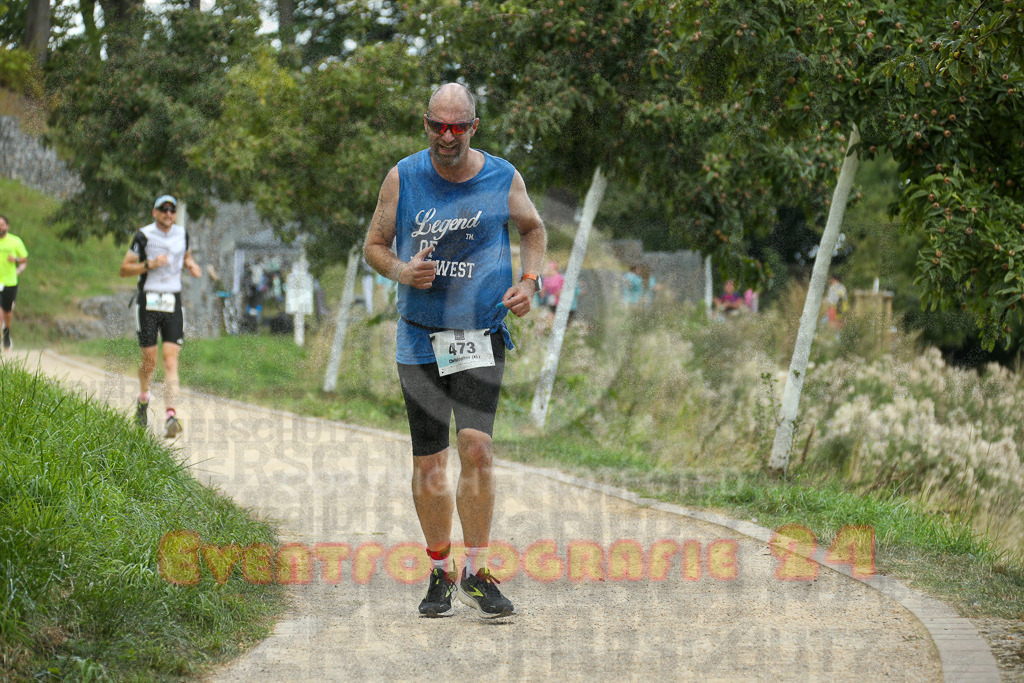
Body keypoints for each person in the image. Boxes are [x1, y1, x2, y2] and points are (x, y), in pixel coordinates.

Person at [363, 83, 546, 619]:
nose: (447, 136)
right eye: (437, 126)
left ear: (474, 127)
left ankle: (478, 571)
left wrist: (530, 280)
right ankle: (440, 570)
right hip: (419, 336)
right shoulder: (403, 176)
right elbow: (374, 245)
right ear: (426, 125)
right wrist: (401, 270)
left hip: (478, 335)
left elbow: (533, 228)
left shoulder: (502, 176)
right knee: (429, 462)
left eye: (458, 126)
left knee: (477, 448)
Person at [119, 195, 202, 438]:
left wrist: (191, 265)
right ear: (154, 212)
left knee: (170, 360)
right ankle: (143, 399)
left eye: (172, 210)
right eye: (163, 209)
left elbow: (184, 256)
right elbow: (124, 269)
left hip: (173, 301)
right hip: (148, 301)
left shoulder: (182, 234)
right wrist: (150, 264)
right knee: (149, 362)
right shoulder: (144, 235)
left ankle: (170, 416)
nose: (168, 214)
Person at [0, 214, 28, 353]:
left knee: (7, 312)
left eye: (2, 224)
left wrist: (15, 259)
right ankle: (3, 339)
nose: (0, 227)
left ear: (7, 226)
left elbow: (24, 258)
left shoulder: (15, 241)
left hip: (10, 282)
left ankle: (7, 331)